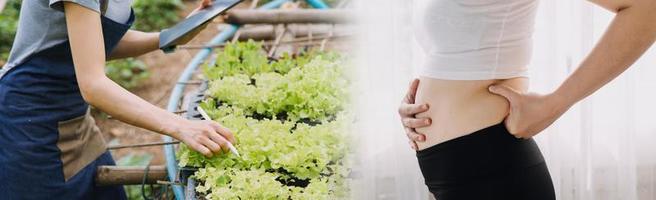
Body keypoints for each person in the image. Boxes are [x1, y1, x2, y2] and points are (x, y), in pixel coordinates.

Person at [398, 0, 656, 199]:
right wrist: (419, 106)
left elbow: (647, 9)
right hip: (452, 170)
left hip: (493, 170)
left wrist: (555, 104)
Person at [0, 0, 235, 199]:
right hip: (29, 123)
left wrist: (169, 36)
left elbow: (92, 44)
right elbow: (93, 86)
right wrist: (181, 126)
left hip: (74, 120)